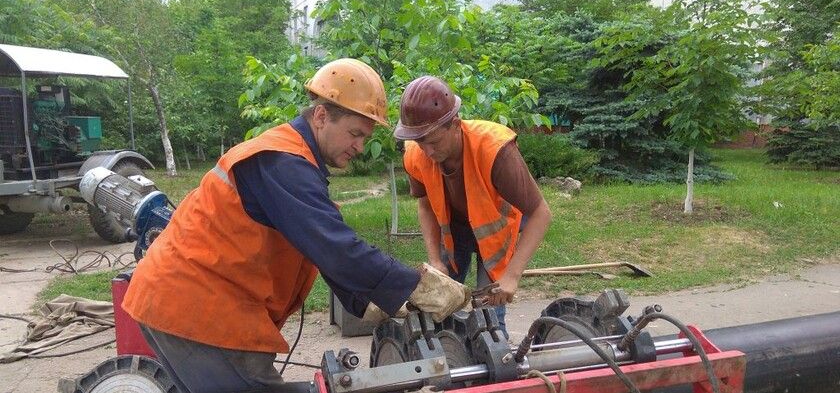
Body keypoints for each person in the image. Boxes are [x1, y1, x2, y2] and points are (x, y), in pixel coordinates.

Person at [122, 59, 471, 393]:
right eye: (354, 133)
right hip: (196, 310)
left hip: (187, 304)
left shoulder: (295, 161)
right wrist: (415, 285)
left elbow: (317, 245)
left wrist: (364, 301)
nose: (360, 147)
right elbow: (336, 247)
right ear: (321, 115)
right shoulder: (283, 162)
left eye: (364, 137)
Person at [395, 76, 552, 338]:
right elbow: (425, 205)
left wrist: (512, 276)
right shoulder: (415, 154)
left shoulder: (496, 149)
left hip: (494, 232)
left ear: (455, 124)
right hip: (453, 231)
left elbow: (541, 213)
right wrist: (436, 260)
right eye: (420, 141)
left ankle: (497, 359)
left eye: (434, 142)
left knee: (488, 312)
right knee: (440, 304)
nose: (428, 151)